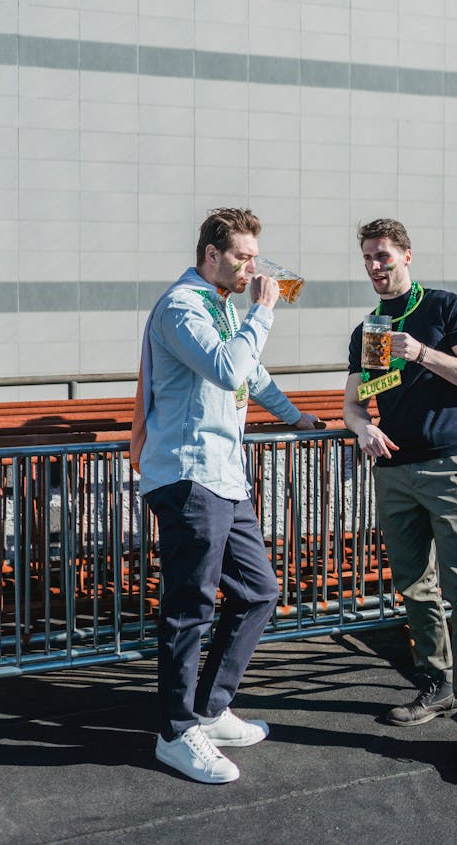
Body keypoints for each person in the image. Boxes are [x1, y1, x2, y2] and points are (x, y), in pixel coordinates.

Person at [131, 207, 318, 784]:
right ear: (211, 255)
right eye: (242, 257)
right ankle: (175, 731)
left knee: (259, 592)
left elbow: (252, 375)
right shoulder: (182, 307)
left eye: (254, 257)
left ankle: (209, 710)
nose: (251, 268)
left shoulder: (219, 306)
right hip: (189, 476)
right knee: (190, 606)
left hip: (224, 477)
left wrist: (295, 419)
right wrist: (264, 308)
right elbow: (227, 366)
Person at [343, 218, 457, 782]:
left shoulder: (446, 308)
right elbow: (354, 402)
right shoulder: (367, 329)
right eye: (367, 258)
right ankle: (435, 685)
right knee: (414, 584)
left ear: (406, 255)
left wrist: (423, 352)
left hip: (449, 465)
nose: (375, 266)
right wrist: (360, 428)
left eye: (383, 255)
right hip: (394, 470)